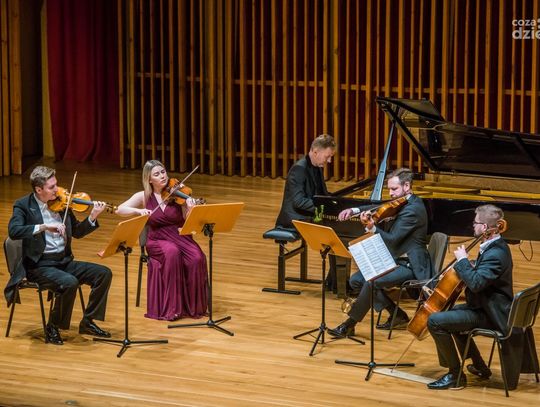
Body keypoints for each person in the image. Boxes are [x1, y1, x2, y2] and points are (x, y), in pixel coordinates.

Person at [5, 166, 112, 345]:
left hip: (63, 261)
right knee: (69, 282)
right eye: (51, 187)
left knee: (103, 273)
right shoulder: (23, 205)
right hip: (39, 266)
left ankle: (88, 321)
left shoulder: (61, 204)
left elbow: (77, 231)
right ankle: (53, 326)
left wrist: (92, 216)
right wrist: (44, 227)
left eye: (56, 184)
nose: (57, 190)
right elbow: (14, 231)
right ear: (39, 190)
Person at [329, 167, 432, 337]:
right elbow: (380, 206)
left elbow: (392, 240)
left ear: (407, 186)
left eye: (394, 189)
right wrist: (354, 210)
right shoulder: (402, 201)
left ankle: (349, 324)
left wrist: (372, 228)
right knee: (356, 281)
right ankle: (397, 315)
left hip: (410, 265)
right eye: (389, 189)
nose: (390, 193)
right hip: (395, 259)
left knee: (371, 282)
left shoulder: (413, 210)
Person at [426, 204, 513, 390]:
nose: (473, 225)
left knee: (435, 321)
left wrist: (463, 261)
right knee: (448, 315)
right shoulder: (495, 246)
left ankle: (455, 375)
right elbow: (482, 275)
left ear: (484, 227)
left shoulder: (496, 254)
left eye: (475, 222)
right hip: (484, 306)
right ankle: (480, 366)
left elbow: (476, 283)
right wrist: (468, 265)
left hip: (491, 314)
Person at [116, 160, 208, 321]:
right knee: (172, 253)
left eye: (163, 172)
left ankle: (194, 308)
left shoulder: (178, 194)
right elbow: (119, 209)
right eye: (157, 174)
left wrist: (190, 208)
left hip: (180, 236)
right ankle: (173, 308)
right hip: (157, 239)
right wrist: (138, 211)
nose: (162, 176)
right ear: (149, 179)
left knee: (197, 258)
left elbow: (187, 222)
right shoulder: (144, 196)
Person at [275, 134, 336, 229]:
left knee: (338, 224)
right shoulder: (299, 169)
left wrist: (337, 201)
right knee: (334, 227)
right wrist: (325, 207)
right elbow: (299, 201)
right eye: (327, 156)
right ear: (315, 152)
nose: (329, 161)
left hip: (309, 214)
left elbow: (321, 194)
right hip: (296, 218)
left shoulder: (318, 166)